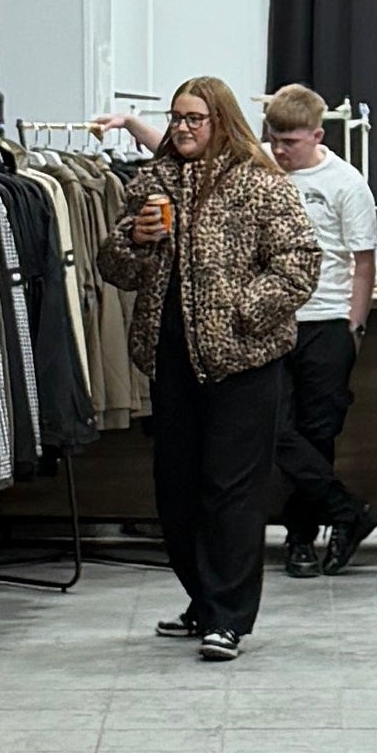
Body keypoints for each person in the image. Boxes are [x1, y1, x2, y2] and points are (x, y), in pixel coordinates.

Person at [91, 77, 320, 661]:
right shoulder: (153, 179)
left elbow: (299, 263)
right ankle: (203, 598)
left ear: (221, 120)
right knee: (177, 493)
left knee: (233, 492)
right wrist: (135, 242)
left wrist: (245, 312)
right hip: (171, 363)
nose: (184, 128)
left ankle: (229, 617)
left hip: (243, 363)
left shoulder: (260, 182)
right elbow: (114, 265)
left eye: (195, 118)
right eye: (176, 118)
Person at [257, 85, 377, 579]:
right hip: (271, 320)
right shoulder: (261, 171)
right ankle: (349, 511)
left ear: (317, 134)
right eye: (274, 140)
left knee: (318, 433)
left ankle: (301, 540)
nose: (281, 151)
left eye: (290, 141)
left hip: (327, 320)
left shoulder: (346, 184)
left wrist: (354, 326)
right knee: (273, 429)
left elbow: (363, 262)